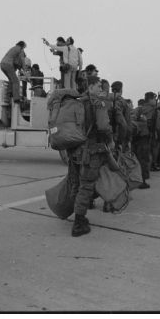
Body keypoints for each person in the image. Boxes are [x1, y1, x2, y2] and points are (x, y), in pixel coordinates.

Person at [66, 76, 113, 237]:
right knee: (86, 186)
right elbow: (104, 127)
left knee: (76, 183)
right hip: (90, 151)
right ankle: (79, 223)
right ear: (91, 86)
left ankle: (78, 215)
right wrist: (110, 140)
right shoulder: (97, 103)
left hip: (74, 151)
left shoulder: (77, 102)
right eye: (98, 86)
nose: (100, 89)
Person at [133, 92, 159, 189]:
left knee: (136, 159)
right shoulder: (155, 111)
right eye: (154, 99)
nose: (155, 102)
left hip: (136, 137)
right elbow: (159, 127)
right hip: (145, 138)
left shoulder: (138, 108)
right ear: (151, 99)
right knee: (144, 160)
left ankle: (134, 178)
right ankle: (142, 181)